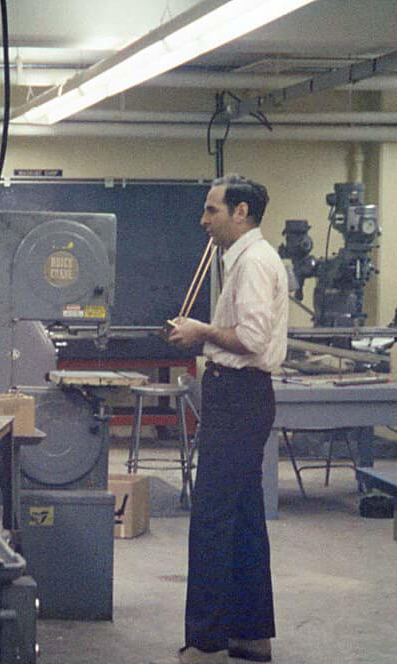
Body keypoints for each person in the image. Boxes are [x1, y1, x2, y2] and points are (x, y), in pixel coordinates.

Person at [157, 175, 288, 664]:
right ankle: (252, 636)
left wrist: (200, 331)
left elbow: (251, 338)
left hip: (239, 396)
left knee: (211, 517)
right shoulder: (245, 259)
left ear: (241, 212)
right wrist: (206, 335)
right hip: (241, 395)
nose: (203, 220)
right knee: (245, 518)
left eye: (212, 210)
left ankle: (205, 643)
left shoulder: (253, 262)